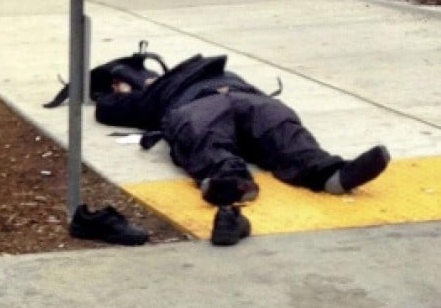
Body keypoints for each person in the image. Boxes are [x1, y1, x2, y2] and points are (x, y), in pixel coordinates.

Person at [94, 53, 391, 209]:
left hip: (244, 97)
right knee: (201, 130)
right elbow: (105, 110)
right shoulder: (150, 97)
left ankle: (329, 174)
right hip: (200, 106)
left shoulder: (199, 70)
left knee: (277, 120)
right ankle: (232, 182)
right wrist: (123, 92)